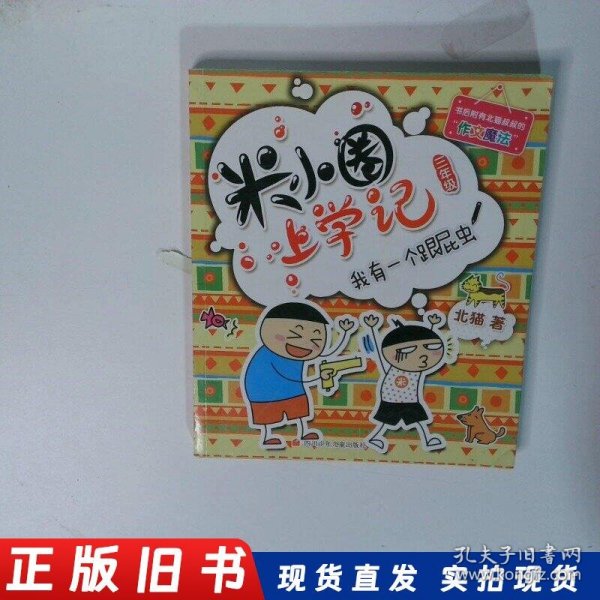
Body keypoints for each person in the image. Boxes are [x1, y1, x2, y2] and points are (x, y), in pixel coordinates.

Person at [243, 301, 356, 450]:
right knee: (268, 414)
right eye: (296, 334)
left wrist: (346, 333)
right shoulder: (268, 355)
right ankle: (266, 436)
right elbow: (293, 379)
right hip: (263, 392)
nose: (304, 343)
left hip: (293, 389)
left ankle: (303, 432)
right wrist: (318, 378)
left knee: (299, 408)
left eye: (316, 339)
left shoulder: (298, 355)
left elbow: (329, 354)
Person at [362, 311, 448, 453]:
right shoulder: (389, 366)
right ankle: (375, 437)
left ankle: (427, 439)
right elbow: (377, 349)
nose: (421, 356)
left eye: (431, 348)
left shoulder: (418, 369)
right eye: (407, 350)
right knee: (386, 421)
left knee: (418, 420)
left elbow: (427, 339)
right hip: (391, 399)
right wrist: (372, 328)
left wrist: (433, 326)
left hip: (410, 399)